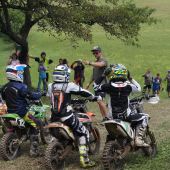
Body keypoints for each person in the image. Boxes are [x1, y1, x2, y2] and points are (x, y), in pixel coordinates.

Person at [47, 65, 102, 168]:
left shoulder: (51, 86)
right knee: (83, 132)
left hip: (53, 117)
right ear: (65, 75)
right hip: (66, 117)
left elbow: (53, 98)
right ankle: (84, 160)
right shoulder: (69, 85)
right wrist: (94, 97)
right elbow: (83, 92)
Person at [93, 64, 149, 147]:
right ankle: (138, 139)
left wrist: (103, 75)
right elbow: (139, 88)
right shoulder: (128, 86)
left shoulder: (108, 86)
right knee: (145, 117)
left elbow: (95, 86)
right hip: (126, 116)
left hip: (112, 116)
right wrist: (130, 78)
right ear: (124, 74)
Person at [1, 64, 42, 157]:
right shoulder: (22, 86)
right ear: (15, 74)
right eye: (19, 73)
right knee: (35, 125)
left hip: (10, 113)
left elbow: (4, 97)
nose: (21, 74)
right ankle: (34, 151)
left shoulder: (4, 87)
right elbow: (31, 95)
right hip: (22, 113)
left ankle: (18, 136)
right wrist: (40, 94)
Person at [83, 46, 108, 121]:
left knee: (100, 100)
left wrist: (90, 63)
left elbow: (100, 65)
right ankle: (104, 117)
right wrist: (89, 83)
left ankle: (107, 117)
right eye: (94, 53)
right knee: (98, 101)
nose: (95, 54)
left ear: (100, 52)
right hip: (96, 85)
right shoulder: (95, 62)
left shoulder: (104, 60)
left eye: (96, 52)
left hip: (102, 84)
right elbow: (93, 74)